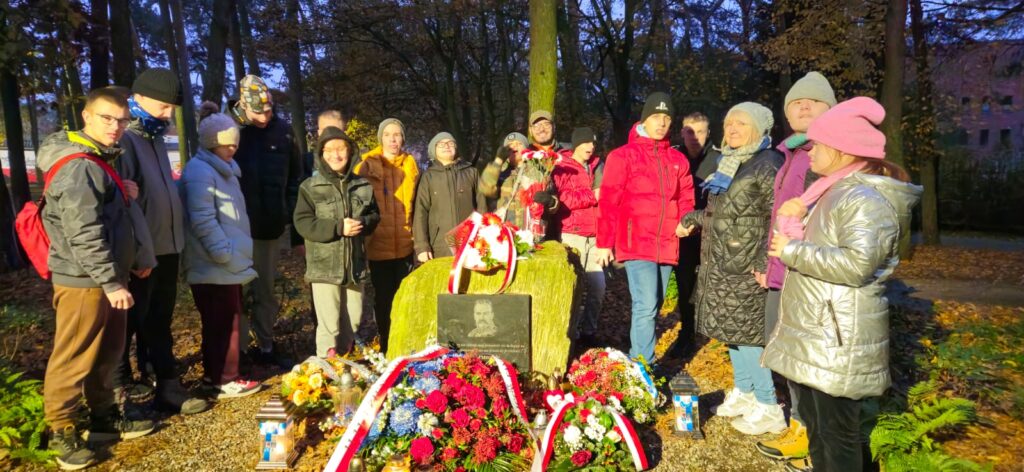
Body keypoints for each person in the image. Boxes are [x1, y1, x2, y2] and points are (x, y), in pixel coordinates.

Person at [764, 97, 921, 472]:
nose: (811, 150)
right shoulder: (831, 192)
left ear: (839, 150)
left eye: (817, 144)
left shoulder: (863, 197)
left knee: (839, 437)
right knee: (819, 430)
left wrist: (793, 250)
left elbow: (857, 264)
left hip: (838, 338)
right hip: (820, 335)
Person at [38, 87, 158, 470]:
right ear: (87, 117)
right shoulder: (79, 165)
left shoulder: (99, 161)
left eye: (122, 120)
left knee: (107, 352)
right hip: (83, 281)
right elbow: (84, 231)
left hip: (107, 277)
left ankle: (104, 418)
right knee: (74, 356)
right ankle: (61, 431)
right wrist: (110, 282)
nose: (116, 127)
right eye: (107, 118)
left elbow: (106, 217)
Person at [680, 102, 785, 435]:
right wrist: (694, 218)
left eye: (741, 124)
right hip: (723, 263)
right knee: (733, 334)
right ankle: (745, 391)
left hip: (747, 266)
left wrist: (764, 261)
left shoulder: (767, 163)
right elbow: (729, 212)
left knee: (751, 337)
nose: (733, 130)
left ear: (758, 127)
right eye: (728, 124)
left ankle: (768, 405)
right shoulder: (731, 162)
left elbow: (777, 216)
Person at [114, 67, 209, 415]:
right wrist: (139, 253)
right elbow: (123, 203)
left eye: (172, 109)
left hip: (168, 247)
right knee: (132, 324)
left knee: (159, 320)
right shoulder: (125, 140)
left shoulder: (154, 139)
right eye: (162, 107)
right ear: (137, 99)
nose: (168, 116)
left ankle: (166, 386)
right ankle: (123, 395)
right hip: (143, 251)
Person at [756, 71, 837, 469]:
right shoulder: (791, 153)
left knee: (804, 359)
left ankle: (812, 438)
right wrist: (768, 266)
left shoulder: (828, 154)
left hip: (808, 274)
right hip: (782, 271)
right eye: (796, 102)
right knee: (786, 356)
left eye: (813, 102)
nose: (803, 107)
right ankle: (800, 426)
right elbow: (780, 218)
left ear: (830, 109)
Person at [595, 92, 695, 364]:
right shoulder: (623, 156)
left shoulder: (677, 160)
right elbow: (609, 200)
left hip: (667, 242)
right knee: (646, 305)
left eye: (666, 118)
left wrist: (686, 220)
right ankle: (643, 367)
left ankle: (638, 361)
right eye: (656, 117)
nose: (661, 123)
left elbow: (686, 197)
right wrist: (604, 242)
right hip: (636, 241)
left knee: (655, 303)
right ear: (644, 120)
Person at [180, 104, 263, 399]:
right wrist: (222, 252)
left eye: (234, 144)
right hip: (213, 262)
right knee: (221, 321)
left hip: (227, 261)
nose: (233, 149)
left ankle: (219, 373)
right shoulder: (200, 172)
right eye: (227, 144)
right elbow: (202, 217)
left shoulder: (223, 170)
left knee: (228, 317)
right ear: (212, 143)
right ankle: (223, 377)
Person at [229, 75, 303, 366]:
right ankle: (241, 351)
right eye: (257, 112)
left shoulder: (284, 132)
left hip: (270, 225)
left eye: (268, 111)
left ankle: (267, 345)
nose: (263, 117)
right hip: (235, 226)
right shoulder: (229, 129)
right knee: (238, 292)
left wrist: (290, 220)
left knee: (266, 290)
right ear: (243, 106)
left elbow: (295, 179)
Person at [294, 127, 380, 358]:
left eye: (340, 149)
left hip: (355, 266)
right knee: (329, 325)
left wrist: (362, 222)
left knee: (352, 321)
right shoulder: (309, 187)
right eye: (328, 150)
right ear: (321, 154)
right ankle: (324, 374)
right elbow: (302, 222)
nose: (335, 155)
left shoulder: (363, 185)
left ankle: (344, 373)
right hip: (324, 267)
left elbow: (374, 215)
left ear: (350, 152)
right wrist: (338, 227)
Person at [355, 118, 418, 354]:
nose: (393, 139)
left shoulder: (411, 164)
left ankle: (404, 343)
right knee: (383, 299)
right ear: (380, 139)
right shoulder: (367, 165)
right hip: (378, 244)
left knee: (404, 297)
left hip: (405, 244)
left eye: (397, 135)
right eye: (388, 135)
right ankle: (386, 345)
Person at [672, 112, 719, 356]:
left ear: (708, 133)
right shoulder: (672, 156)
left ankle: (709, 330)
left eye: (700, 131)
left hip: (709, 234)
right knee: (685, 285)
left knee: (705, 287)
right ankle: (687, 333)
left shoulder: (720, 159)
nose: (695, 137)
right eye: (690, 131)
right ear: (682, 132)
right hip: (679, 234)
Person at [552, 127, 604, 344]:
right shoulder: (561, 166)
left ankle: (589, 333)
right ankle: (568, 334)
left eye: (593, 143)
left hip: (595, 236)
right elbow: (563, 200)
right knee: (573, 288)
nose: (591, 147)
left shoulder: (597, 166)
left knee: (598, 288)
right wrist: (592, 195)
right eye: (586, 143)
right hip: (571, 234)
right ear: (576, 144)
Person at [413, 132, 487, 261]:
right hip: (439, 245)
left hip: (471, 242)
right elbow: (420, 211)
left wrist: (486, 236)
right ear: (433, 150)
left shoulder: (471, 172)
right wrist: (422, 246)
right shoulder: (428, 177)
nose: (446, 146)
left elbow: (482, 206)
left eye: (450, 143)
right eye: (441, 144)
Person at [479, 131, 528, 211]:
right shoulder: (500, 171)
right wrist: (498, 160)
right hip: (506, 222)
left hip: (529, 221)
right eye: (510, 145)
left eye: (519, 143)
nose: (514, 146)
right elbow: (486, 189)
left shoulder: (535, 169)